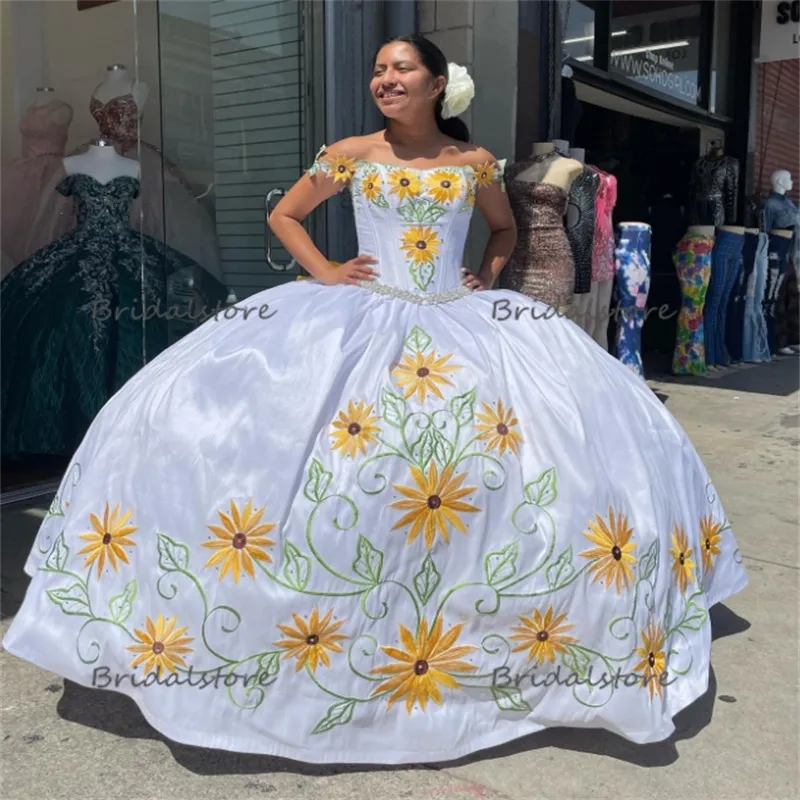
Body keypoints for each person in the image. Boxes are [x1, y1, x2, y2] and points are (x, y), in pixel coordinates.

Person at [3, 35, 747, 764]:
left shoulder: (474, 162)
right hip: (361, 312)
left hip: (456, 317)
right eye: (378, 69)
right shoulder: (351, 152)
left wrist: (486, 276)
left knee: (508, 462)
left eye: (401, 69)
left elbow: (503, 228)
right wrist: (327, 271)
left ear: (436, 84)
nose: (386, 80)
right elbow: (285, 215)